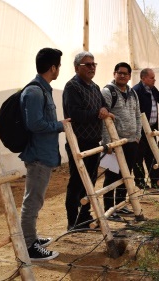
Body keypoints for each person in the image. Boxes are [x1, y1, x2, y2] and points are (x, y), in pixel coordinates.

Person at [19, 48, 70, 260]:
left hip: (44, 154)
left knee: (35, 200)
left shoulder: (43, 89)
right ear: (52, 67)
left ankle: (30, 237)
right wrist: (60, 125)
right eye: (58, 66)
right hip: (38, 156)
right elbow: (35, 124)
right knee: (32, 201)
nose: (59, 69)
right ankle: (29, 246)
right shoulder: (34, 92)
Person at [62, 51, 113, 231]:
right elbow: (75, 115)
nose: (92, 67)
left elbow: (103, 105)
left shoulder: (94, 87)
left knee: (90, 180)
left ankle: (85, 216)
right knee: (77, 181)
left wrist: (104, 110)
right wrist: (98, 114)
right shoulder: (72, 87)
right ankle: (73, 221)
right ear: (77, 68)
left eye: (94, 64)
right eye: (88, 64)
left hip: (93, 142)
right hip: (78, 143)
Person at [101, 62, 141, 220]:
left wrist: (138, 136)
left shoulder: (133, 93)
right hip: (115, 143)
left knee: (126, 174)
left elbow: (138, 115)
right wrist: (107, 142)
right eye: (119, 73)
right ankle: (109, 209)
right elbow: (103, 119)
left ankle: (120, 205)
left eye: (125, 73)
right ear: (114, 74)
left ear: (130, 76)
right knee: (112, 176)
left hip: (131, 141)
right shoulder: (108, 92)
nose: (122, 75)